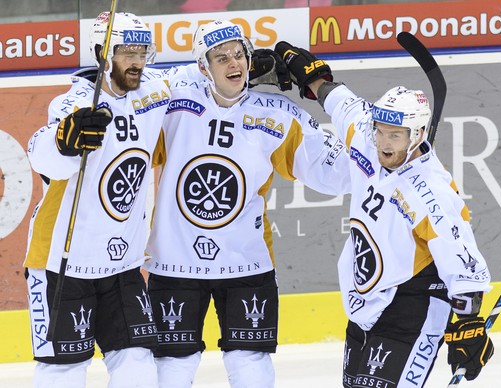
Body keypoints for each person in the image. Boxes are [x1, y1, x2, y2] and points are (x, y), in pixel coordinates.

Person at [271, 41, 495, 387]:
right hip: (365, 304)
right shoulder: (366, 136)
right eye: (380, 131)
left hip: (413, 307)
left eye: (395, 135)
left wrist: (468, 324)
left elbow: (462, 260)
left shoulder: (431, 191)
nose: (384, 143)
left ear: (418, 135)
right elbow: (339, 99)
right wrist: (313, 75)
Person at [143, 20, 351, 388]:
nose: (232, 63)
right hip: (174, 261)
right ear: (202, 67)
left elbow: (335, 173)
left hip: (246, 263)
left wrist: (390, 156)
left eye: (238, 54)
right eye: (220, 58)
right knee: (172, 369)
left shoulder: (276, 113)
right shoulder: (172, 96)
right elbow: (129, 91)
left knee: (251, 367)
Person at [24, 11, 169, 388]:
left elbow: (204, 79)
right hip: (61, 261)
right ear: (102, 53)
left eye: (143, 51)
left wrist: (259, 70)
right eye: (126, 52)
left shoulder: (156, 91)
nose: (136, 61)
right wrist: (65, 142)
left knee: (139, 367)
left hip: (121, 265)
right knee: (63, 373)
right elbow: (41, 153)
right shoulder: (72, 104)